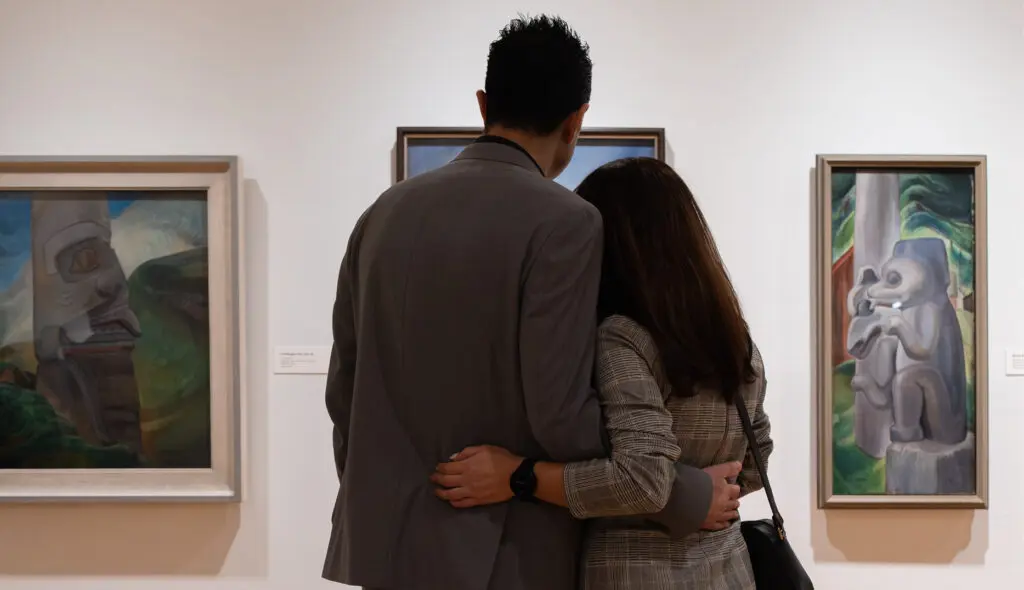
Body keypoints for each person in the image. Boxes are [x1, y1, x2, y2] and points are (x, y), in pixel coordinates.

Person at [322, 15, 741, 590]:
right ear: (576, 122)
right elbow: (561, 415)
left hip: (382, 551)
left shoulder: (380, 215)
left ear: (483, 103)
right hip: (503, 551)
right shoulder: (565, 221)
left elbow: (344, 393)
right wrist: (680, 490)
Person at [432, 157, 774, 590]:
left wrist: (517, 475)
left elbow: (639, 481)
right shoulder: (733, 338)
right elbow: (757, 458)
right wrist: (706, 498)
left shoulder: (624, 335)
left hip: (635, 573)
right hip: (729, 571)